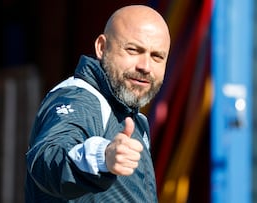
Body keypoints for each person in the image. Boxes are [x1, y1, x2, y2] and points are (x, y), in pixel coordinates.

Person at [25, 4, 171, 203]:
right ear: (102, 48)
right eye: (133, 50)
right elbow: (46, 159)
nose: (145, 66)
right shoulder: (79, 98)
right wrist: (101, 155)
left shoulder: (132, 115)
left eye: (157, 56)